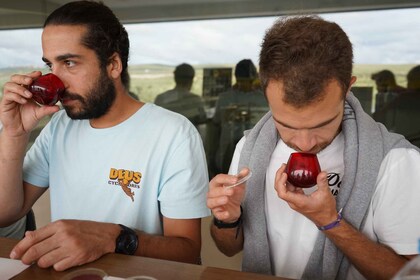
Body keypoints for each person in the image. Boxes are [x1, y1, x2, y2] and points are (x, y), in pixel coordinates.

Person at [0, 1, 209, 272]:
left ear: (113, 64)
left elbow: (188, 252)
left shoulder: (173, 133)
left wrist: (114, 237)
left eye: (69, 62)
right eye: (51, 65)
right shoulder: (59, 127)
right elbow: (6, 213)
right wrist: (14, 133)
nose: (57, 82)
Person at [206, 15, 420, 280]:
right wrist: (226, 218)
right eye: (287, 125)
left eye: (322, 123)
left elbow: (410, 275)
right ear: (265, 94)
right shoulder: (249, 148)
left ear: (347, 88)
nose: (305, 144)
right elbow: (228, 249)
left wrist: (331, 221)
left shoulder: (397, 162)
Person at [212, 59, 268, 174]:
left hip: (256, 150)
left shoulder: (264, 98)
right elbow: (216, 124)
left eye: (247, 81)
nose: (244, 85)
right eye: (241, 81)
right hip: (227, 149)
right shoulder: (225, 98)